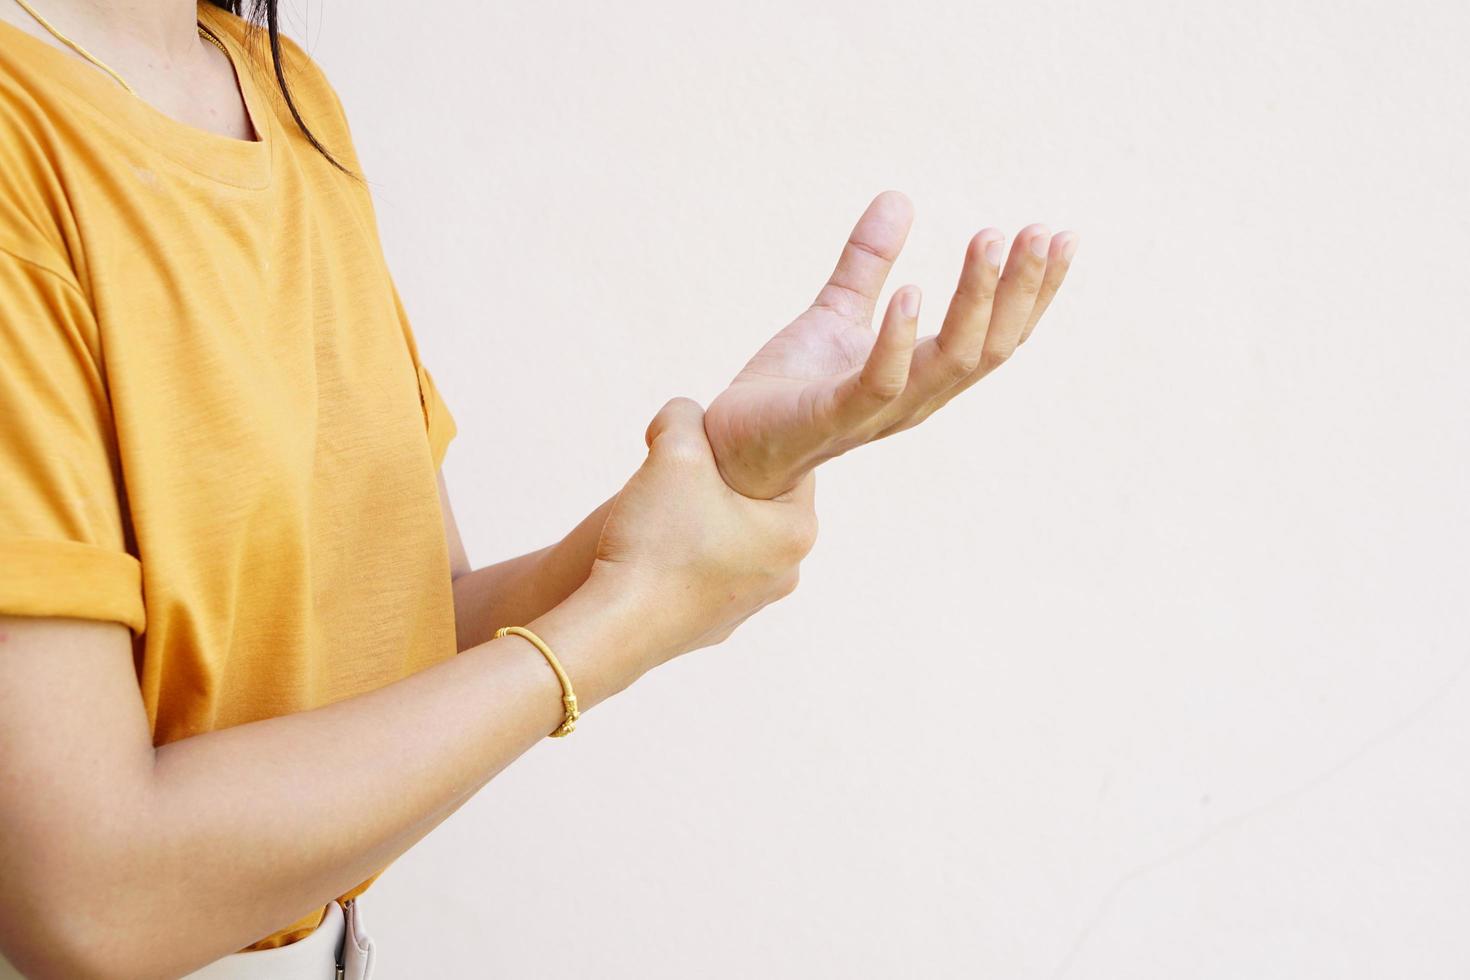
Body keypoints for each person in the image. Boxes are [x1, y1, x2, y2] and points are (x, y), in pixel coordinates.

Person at [0, 0, 1079, 976]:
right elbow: (91, 894)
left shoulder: (281, 95)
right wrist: (626, 621)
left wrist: (696, 498)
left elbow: (415, 643)